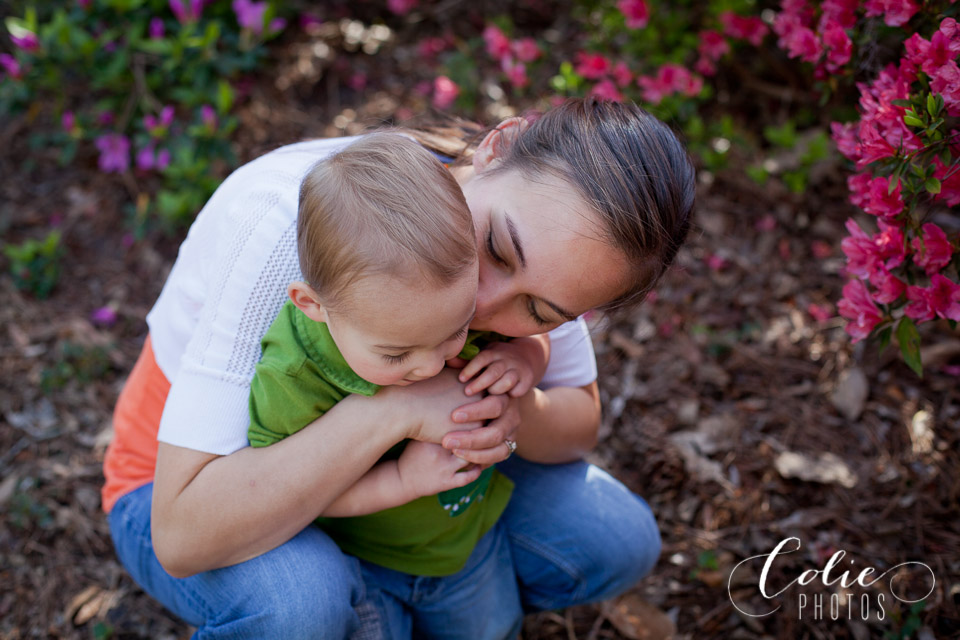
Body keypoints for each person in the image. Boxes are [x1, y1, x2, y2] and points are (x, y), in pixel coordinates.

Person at [102, 97, 694, 639]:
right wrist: (400, 410)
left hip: (401, 490)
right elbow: (181, 536)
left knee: (618, 538)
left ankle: (396, 591)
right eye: (494, 248)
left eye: (539, 310)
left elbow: (579, 425)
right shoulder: (286, 223)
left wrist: (511, 407)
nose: (482, 306)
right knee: (300, 602)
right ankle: (358, 599)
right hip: (188, 487)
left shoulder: (565, 250)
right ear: (497, 147)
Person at [247, 133, 550, 577]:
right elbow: (293, 493)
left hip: (468, 534)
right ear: (313, 305)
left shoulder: (437, 308)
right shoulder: (293, 377)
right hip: (370, 560)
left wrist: (526, 358)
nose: (431, 366)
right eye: (395, 354)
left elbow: (526, 343)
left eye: (459, 330)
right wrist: (401, 481)